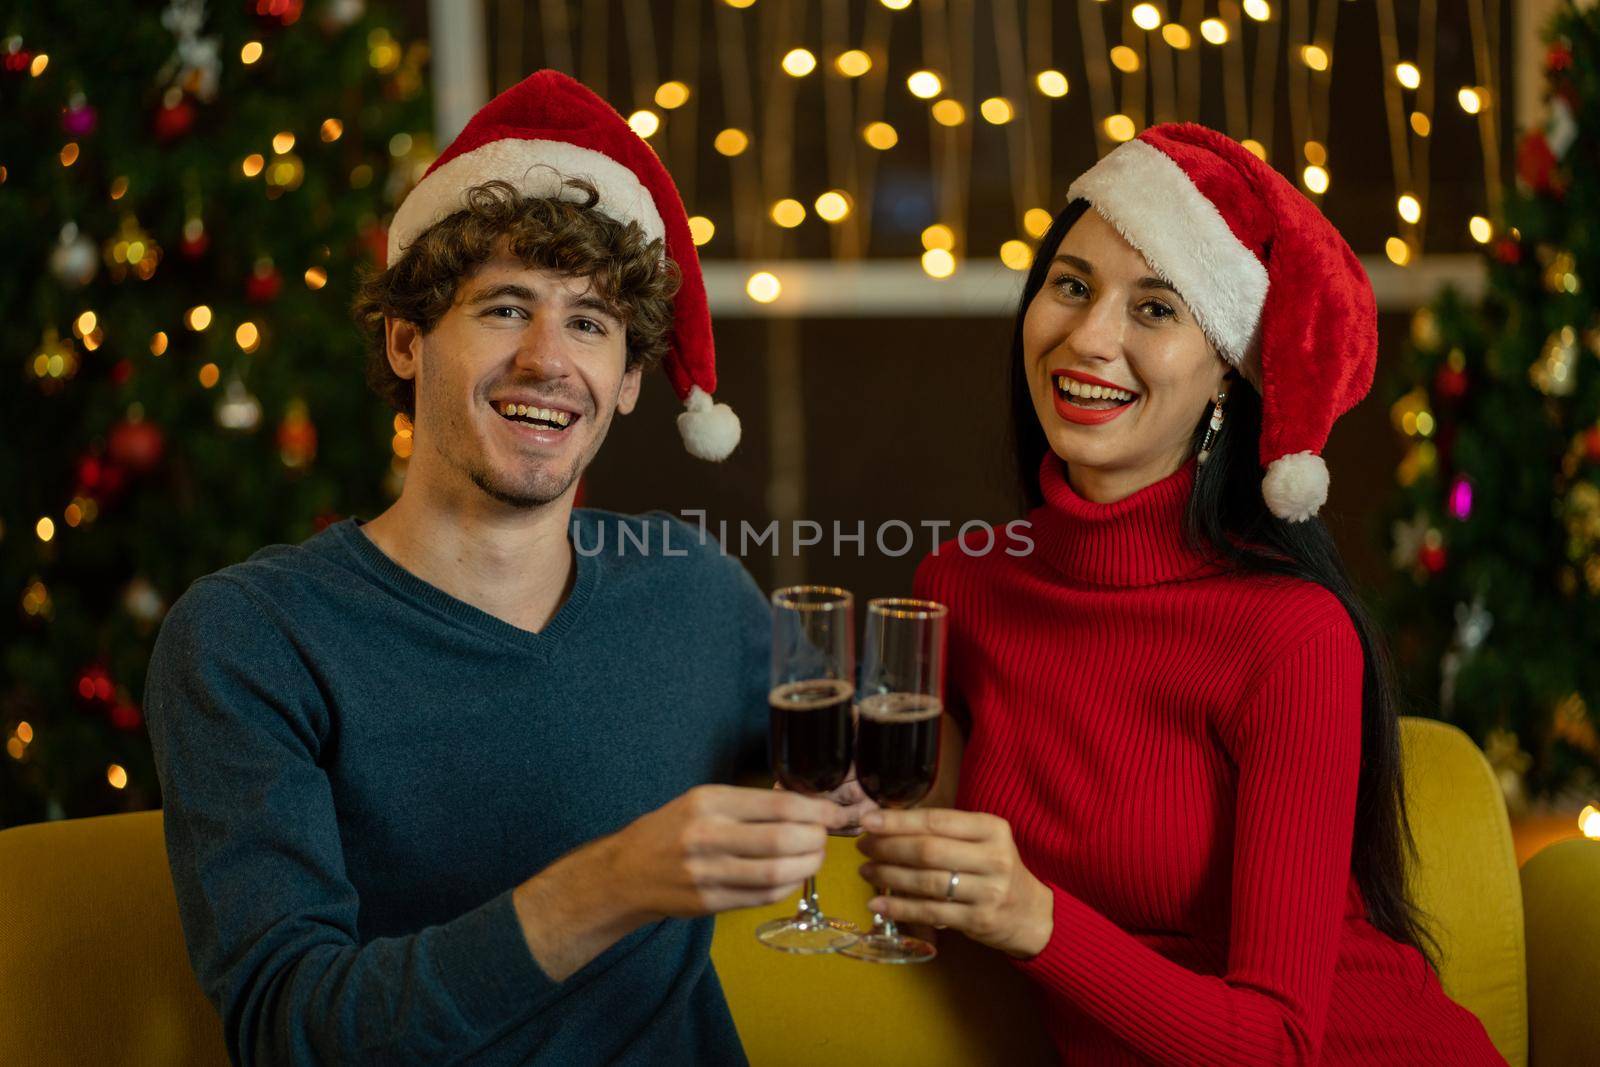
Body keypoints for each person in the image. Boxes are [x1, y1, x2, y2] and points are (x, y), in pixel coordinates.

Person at [145, 70, 865, 1066]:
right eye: (503, 309)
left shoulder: (691, 587)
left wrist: (856, 786)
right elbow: (291, 1032)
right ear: (406, 340)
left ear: (623, 385)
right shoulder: (254, 636)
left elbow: (853, 741)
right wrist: (609, 882)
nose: (546, 359)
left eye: (589, 323)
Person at [855, 123, 1506, 1064]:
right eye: (1070, 285)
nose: (1089, 337)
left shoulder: (1289, 633)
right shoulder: (961, 587)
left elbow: (1279, 1043)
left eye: (1155, 309)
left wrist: (1033, 918)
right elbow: (938, 819)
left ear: (1227, 381)